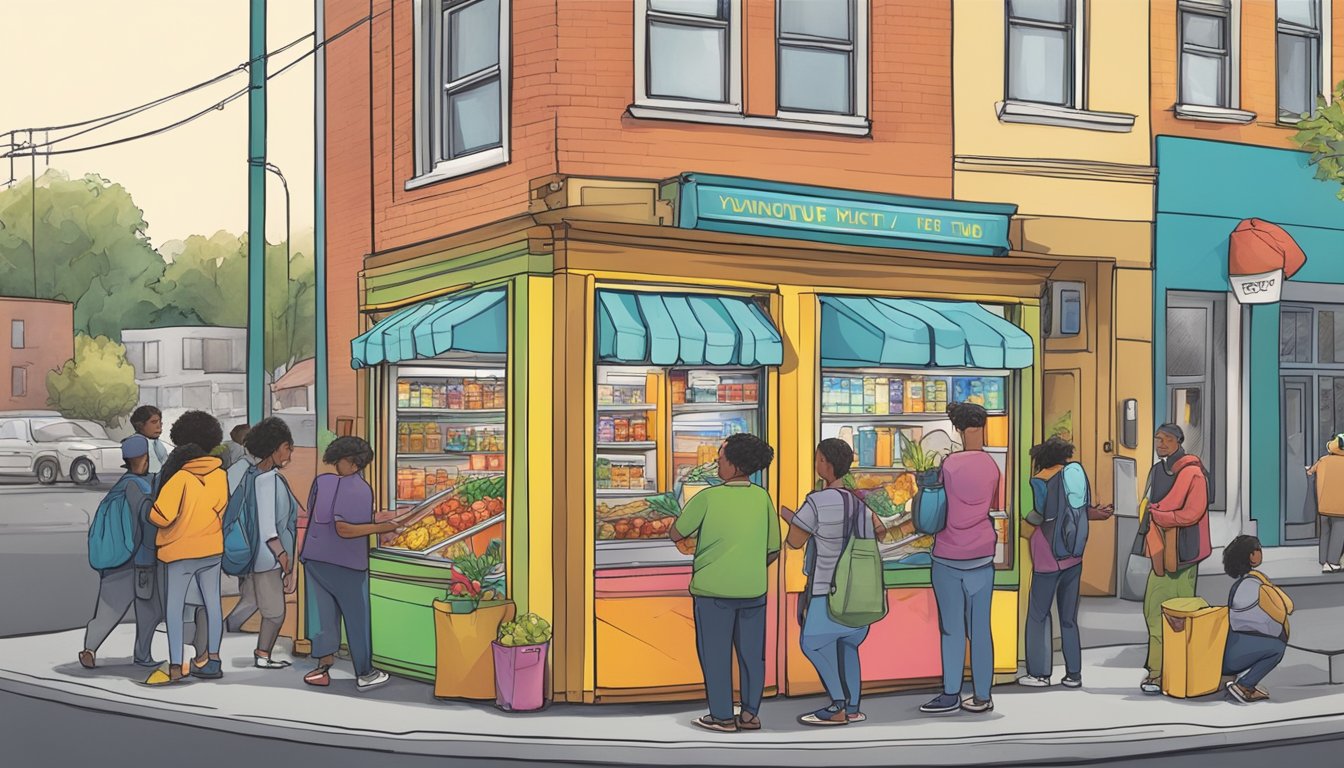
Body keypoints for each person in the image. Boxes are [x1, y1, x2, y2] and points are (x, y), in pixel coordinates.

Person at [668, 433, 779, 733]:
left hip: (712, 591)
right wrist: (749, 566)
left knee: (716, 655)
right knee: (752, 656)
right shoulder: (762, 497)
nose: (717, 461)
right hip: (754, 590)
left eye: (721, 456)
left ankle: (721, 717)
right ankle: (750, 715)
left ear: (734, 465)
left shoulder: (707, 497)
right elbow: (773, 547)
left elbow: (676, 532)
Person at [780, 438, 883, 726]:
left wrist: (792, 518)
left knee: (811, 644)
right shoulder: (858, 502)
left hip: (827, 590)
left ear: (825, 463)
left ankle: (837, 705)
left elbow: (795, 542)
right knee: (848, 647)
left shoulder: (817, 501)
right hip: (859, 594)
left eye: (818, 458)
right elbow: (880, 532)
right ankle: (852, 706)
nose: (816, 463)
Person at [301, 437, 410, 691]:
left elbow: (322, 514)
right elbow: (345, 529)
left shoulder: (322, 482)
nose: (337, 464)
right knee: (357, 618)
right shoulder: (359, 488)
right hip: (347, 563)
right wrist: (382, 527)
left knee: (323, 616)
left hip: (315, 559)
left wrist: (374, 519)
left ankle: (322, 668)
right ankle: (365, 672)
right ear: (357, 462)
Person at [921, 402, 1000, 715]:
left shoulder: (949, 464)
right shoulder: (992, 466)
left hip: (949, 555)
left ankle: (951, 693)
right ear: (982, 427)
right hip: (982, 554)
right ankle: (982, 695)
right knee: (980, 629)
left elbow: (937, 507)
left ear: (957, 429)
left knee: (952, 629)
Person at [1018, 437, 1113, 689]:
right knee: (1069, 618)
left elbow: (1038, 514)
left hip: (1047, 557)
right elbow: (1080, 510)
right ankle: (1073, 674)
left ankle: (1039, 673)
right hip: (1073, 556)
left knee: (1039, 614)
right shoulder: (1075, 474)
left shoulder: (1039, 480)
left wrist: (1021, 522)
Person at [144, 411, 228, 685]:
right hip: (211, 548)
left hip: (179, 551)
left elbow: (161, 516)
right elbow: (221, 509)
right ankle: (212, 659)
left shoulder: (179, 478)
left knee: (175, 609)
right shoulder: (219, 476)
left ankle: (177, 666)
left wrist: (151, 508)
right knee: (213, 604)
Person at [1137, 423, 1210, 695]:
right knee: (1154, 611)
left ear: (1179, 442)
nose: (1160, 444)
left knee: (1176, 614)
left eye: (1166, 440)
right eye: (1157, 439)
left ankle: (1168, 672)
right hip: (1160, 550)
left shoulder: (1193, 474)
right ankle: (1159, 671)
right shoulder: (1157, 470)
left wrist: (1160, 515)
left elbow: (1193, 512)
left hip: (1183, 554)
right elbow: (1146, 502)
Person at [78, 436, 161, 669]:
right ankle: (142, 655)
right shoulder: (140, 487)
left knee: (109, 610)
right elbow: (148, 520)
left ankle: (90, 648)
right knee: (149, 609)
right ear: (145, 458)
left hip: (117, 559)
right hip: (139, 559)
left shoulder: (123, 484)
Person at [224, 418, 300, 669]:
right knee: (275, 612)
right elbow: (270, 530)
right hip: (266, 558)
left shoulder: (256, 475)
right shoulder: (268, 480)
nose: (289, 453)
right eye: (287, 447)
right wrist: (285, 561)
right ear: (276, 447)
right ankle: (263, 655)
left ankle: (228, 634)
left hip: (258, 554)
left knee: (255, 601)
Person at [1222, 535, 1292, 703]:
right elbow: (1284, 610)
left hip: (1231, 647)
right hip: (1236, 654)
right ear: (1252, 556)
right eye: (1259, 549)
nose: (1261, 552)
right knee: (1277, 648)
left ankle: (1241, 681)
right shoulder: (1255, 585)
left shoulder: (1242, 583)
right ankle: (1245, 686)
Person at [1307, 435, 1344, 573]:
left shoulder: (1323, 460)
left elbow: (1310, 472)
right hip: (1340, 508)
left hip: (1323, 506)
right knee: (1338, 534)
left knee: (1325, 533)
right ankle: (1333, 562)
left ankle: (1323, 560)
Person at [130, 405, 169, 475]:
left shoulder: (157, 443)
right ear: (140, 425)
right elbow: (139, 471)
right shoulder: (136, 442)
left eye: (160, 422)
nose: (159, 426)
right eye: (154, 422)